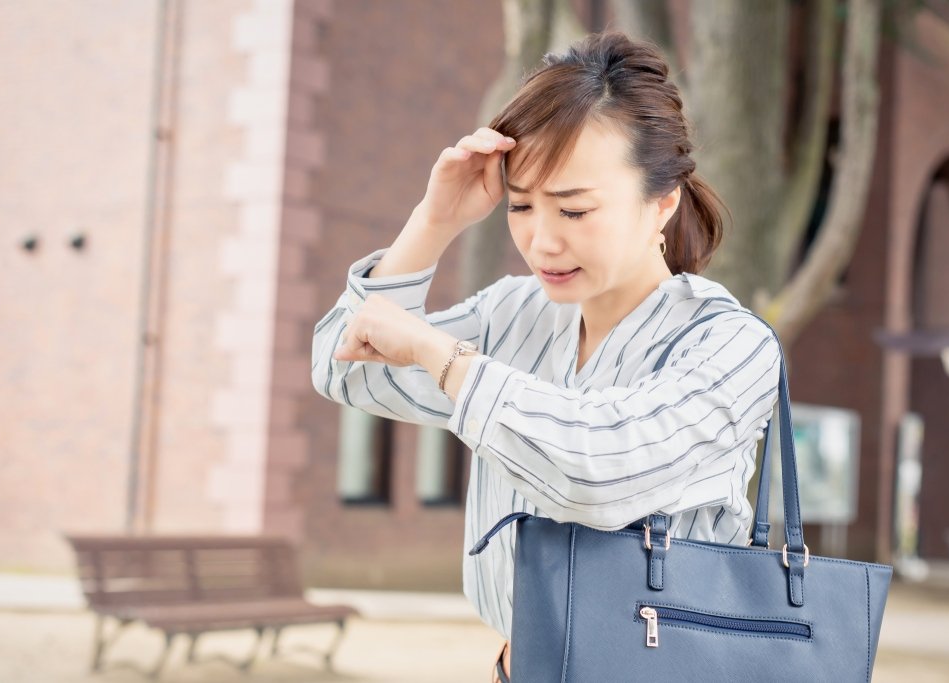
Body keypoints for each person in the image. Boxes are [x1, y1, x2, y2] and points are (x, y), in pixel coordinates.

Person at [310, 30, 782, 682]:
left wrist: (446, 360)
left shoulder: (730, 345)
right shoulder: (516, 313)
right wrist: (435, 219)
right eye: (523, 205)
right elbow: (344, 367)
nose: (541, 241)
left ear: (662, 202)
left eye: (574, 209)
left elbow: (597, 468)